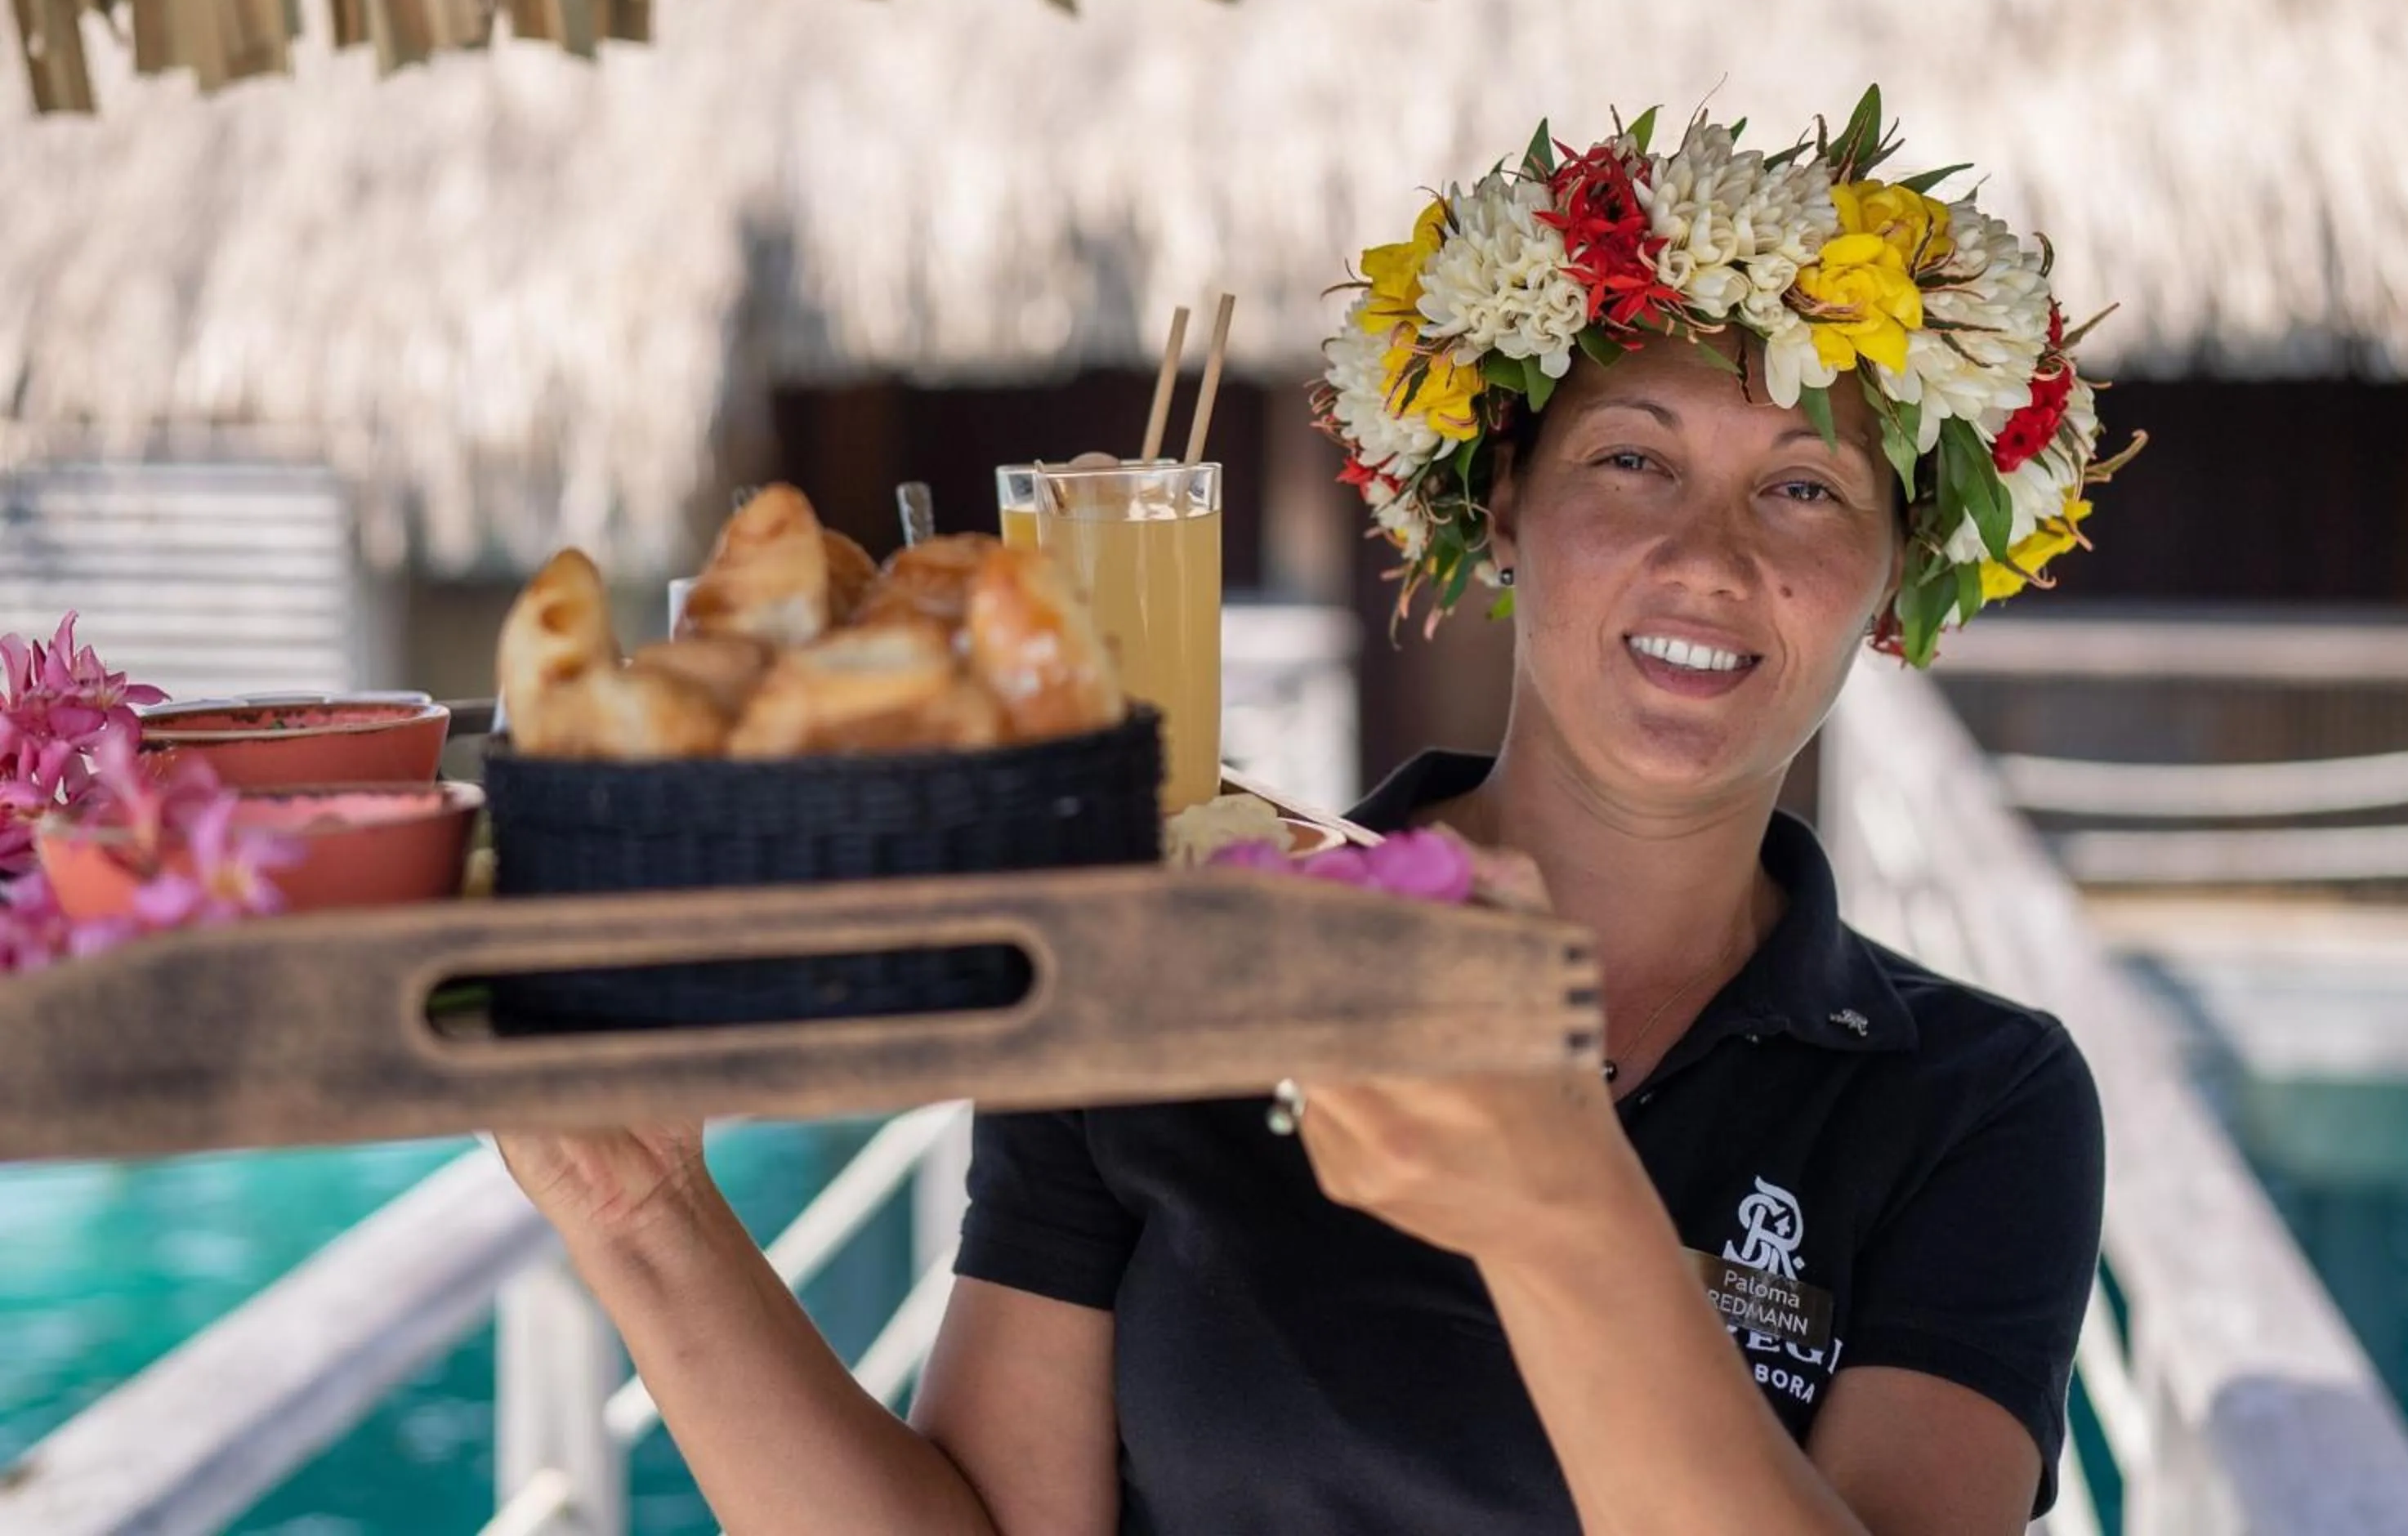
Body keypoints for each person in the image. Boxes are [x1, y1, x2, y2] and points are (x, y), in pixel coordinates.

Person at [498, 90, 2126, 1536]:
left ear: (1892, 581)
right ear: (1503, 513)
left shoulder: (1975, 1103)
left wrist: (1563, 1205)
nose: (1708, 557)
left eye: (1805, 487)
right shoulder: (1168, 952)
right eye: (1634, 462)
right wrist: (642, 1214)